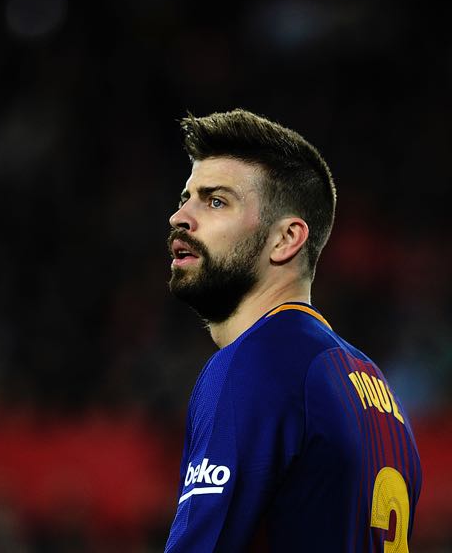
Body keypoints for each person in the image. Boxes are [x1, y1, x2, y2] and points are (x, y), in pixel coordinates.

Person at [164, 110, 421, 551]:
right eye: (186, 197)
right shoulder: (378, 391)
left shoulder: (255, 364)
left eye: (215, 201)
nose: (179, 216)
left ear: (286, 239)